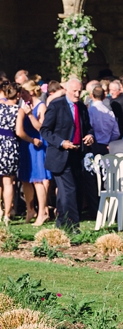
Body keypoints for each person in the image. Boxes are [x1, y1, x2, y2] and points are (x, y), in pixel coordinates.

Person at [41, 77, 95, 230]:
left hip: (77, 154)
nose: (77, 95)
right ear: (66, 90)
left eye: (79, 91)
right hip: (60, 155)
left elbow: (87, 127)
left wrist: (90, 135)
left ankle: (61, 224)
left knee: (73, 191)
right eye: (74, 91)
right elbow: (45, 130)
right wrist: (61, 142)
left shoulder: (82, 108)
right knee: (68, 190)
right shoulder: (56, 106)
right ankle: (72, 227)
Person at [15, 80, 51, 225]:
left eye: (24, 92)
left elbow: (42, 128)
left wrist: (30, 115)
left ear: (31, 92)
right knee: (25, 178)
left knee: (38, 179)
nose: (21, 95)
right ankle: (30, 210)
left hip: (37, 144)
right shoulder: (24, 105)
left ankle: (42, 212)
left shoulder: (41, 106)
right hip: (26, 144)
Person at [0, 81, 20, 223]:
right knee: (8, 182)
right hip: (10, 144)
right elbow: (19, 131)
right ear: (18, 95)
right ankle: (7, 214)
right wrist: (32, 140)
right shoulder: (18, 110)